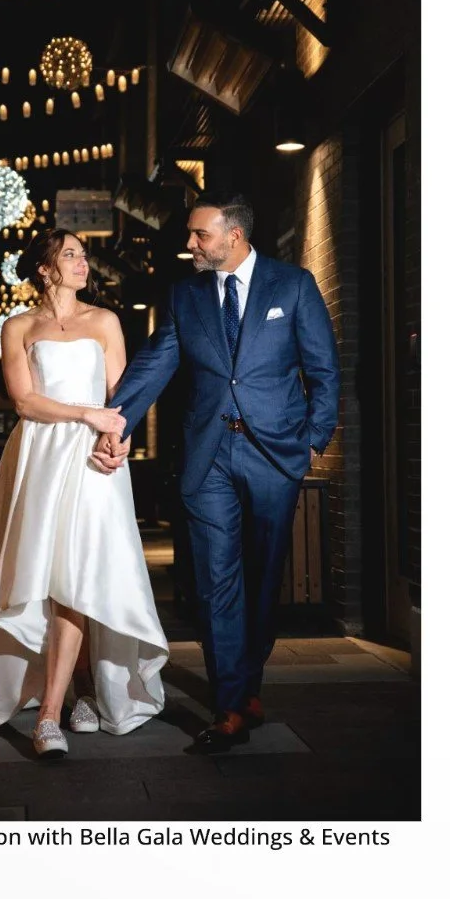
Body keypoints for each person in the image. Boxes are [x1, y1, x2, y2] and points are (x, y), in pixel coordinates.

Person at [90, 192, 339, 753]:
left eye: (200, 234)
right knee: (215, 581)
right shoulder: (186, 296)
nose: (191, 244)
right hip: (208, 460)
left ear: (234, 235)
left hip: (275, 456)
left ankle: (248, 683)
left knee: (263, 579)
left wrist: (312, 443)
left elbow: (324, 368)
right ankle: (230, 705)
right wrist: (117, 422)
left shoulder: (292, 286)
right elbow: (155, 363)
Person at [0, 228, 169, 758]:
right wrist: (84, 413)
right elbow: (25, 402)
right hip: (38, 457)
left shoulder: (105, 321)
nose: (83, 264)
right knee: (42, 575)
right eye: (71, 255)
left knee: (77, 574)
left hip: (93, 461)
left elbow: (122, 398)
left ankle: (49, 716)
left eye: (83, 256)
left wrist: (118, 441)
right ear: (45, 268)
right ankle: (77, 690)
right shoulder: (18, 327)